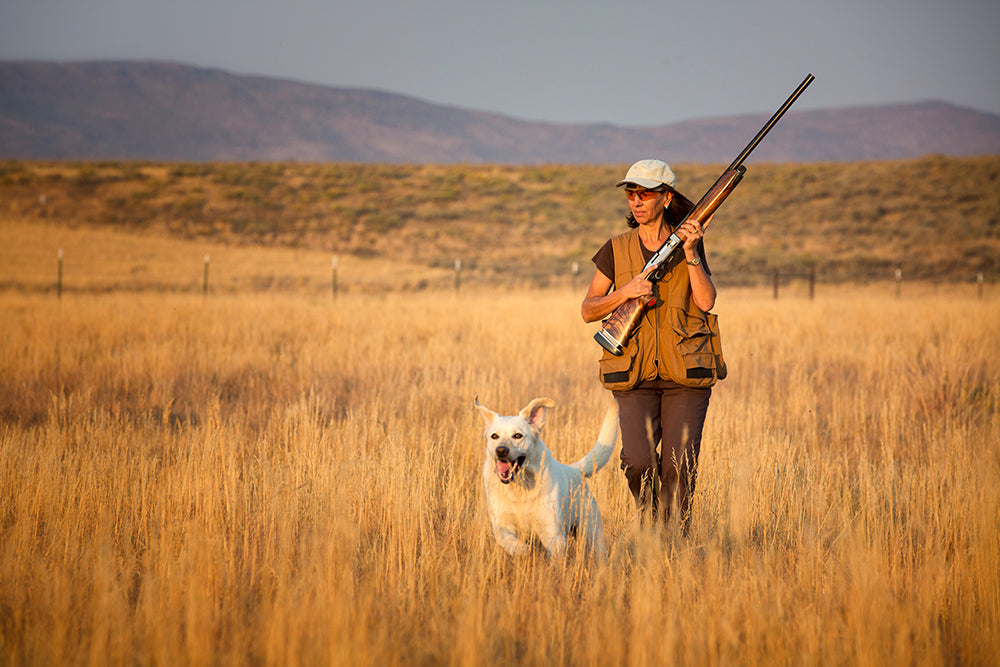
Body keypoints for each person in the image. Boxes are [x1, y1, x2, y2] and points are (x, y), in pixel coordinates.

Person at [581, 159, 725, 535]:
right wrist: (625, 292)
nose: (636, 201)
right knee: (638, 461)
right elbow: (588, 309)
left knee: (679, 465)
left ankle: (673, 541)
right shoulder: (616, 249)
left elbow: (706, 301)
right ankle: (651, 524)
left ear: (666, 197)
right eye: (631, 194)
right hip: (634, 372)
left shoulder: (690, 244)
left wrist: (691, 251)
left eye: (644, 194)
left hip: (684, 373)